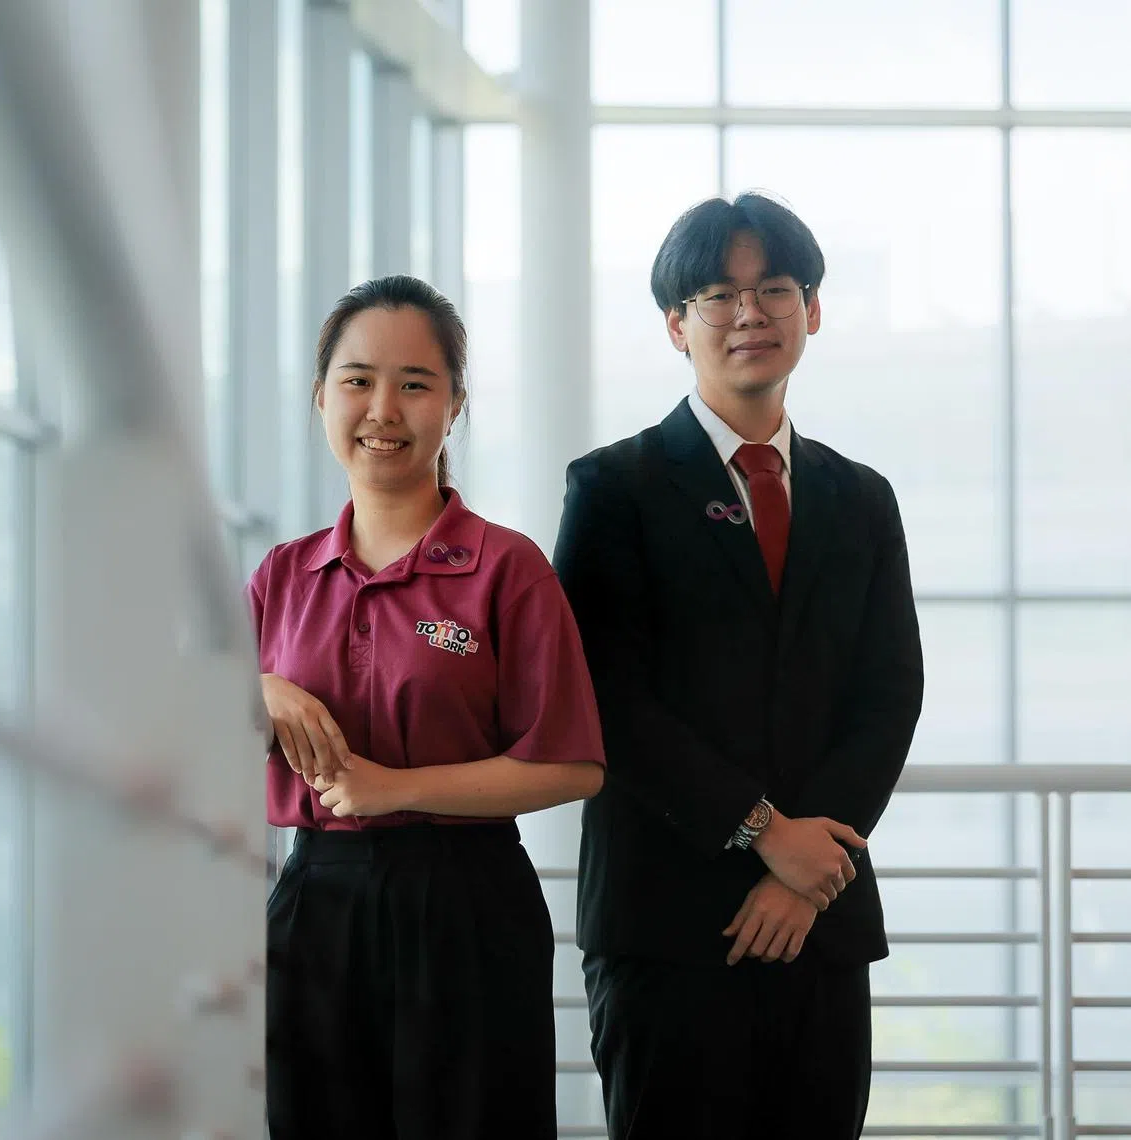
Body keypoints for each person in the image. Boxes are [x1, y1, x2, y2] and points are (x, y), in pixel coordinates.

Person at [553, 192, 924, 1139]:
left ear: (813, 309)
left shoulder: (862, 498)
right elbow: (608, 697)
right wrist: (764, 833)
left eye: (775, 289)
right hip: (667, 926)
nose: (750, 313)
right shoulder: (614, 488)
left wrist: (807, 871)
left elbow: (890, 695)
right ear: (676, 324)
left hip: (820, 923)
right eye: (719, 294)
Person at [250, 275, 605, 1140]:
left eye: (415, 384)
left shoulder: (507, 568)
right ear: (321, 397)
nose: (383, 410)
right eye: (358, 380)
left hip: (467, 905)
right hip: (316, 903)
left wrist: (393, 787)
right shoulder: (283, 574)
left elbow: (572, 765)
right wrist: (253, 688)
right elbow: (186, 730)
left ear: (455, 405)